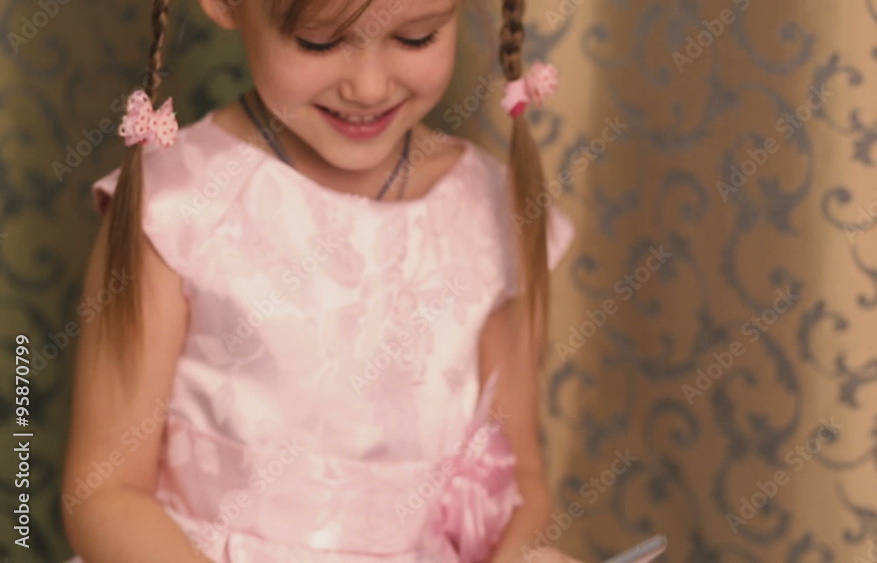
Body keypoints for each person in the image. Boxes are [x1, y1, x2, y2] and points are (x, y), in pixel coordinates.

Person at [60, 0, 578, 561]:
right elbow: (105, 493)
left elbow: (523, 480)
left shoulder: (494, 214)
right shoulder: (177, 208)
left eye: (417, 38)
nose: (369, 87)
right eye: (319, 42)